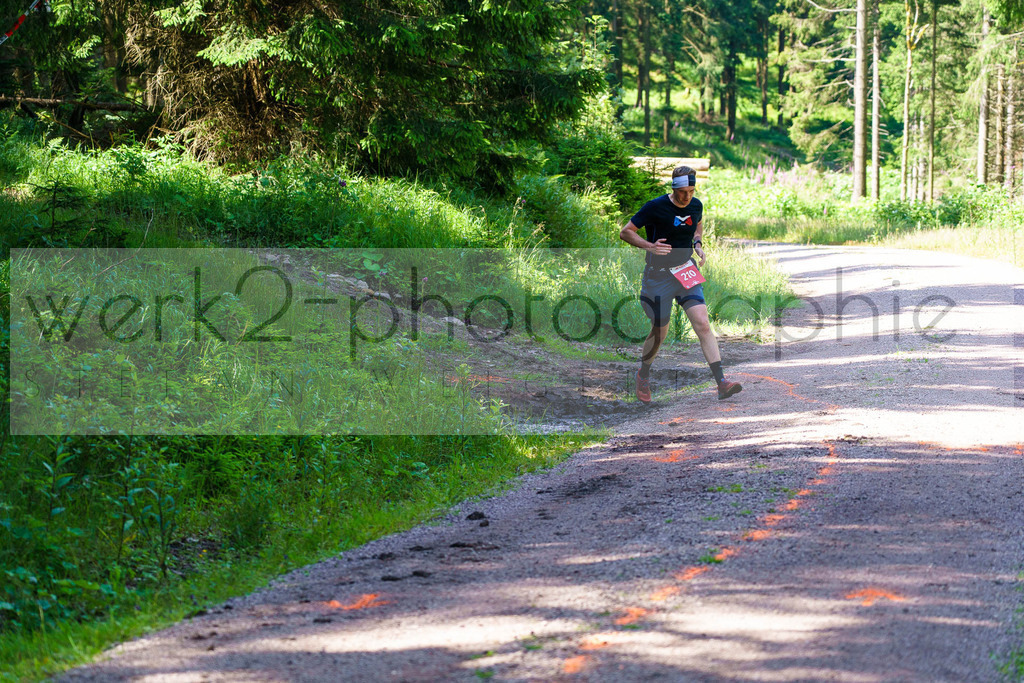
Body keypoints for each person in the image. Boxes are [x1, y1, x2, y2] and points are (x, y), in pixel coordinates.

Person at [619, 164, 742, 403]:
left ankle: (721, 383)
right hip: (658, 275)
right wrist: (650, 246)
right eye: (682, 191)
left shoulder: (696, 205)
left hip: (685, 271)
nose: (687, 197)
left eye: (691, 191)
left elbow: (697, 223)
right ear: (673, 188)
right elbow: (626, 232)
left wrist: (698, 244)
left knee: (703, 323)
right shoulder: (655, 207)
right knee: (659, 332)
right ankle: (643, 374)